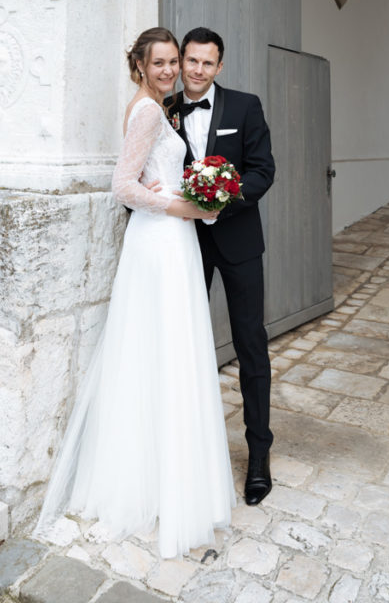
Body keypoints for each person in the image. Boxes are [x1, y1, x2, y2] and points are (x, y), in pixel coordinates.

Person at [34, 27, 235, 558]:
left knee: (162, 355)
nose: (171, 70)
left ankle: (161, 477)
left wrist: (195, 202)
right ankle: (152, 485)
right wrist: (187, 208)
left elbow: (150, 176)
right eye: (161, 63)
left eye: (175, 62)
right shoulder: (148, 111)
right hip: (160, 241)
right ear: (141, 66)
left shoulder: (158, 109)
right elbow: (123, 184)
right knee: (161, 353)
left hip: (172, 240)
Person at [168, 27, 276, 505]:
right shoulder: (165, 109)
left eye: (207, 64)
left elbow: (262, 170)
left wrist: (220, 199)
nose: (196, 71)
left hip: (238, 242)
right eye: (191, 61)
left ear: (220, 66)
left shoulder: (245, 106)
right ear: (181, 60)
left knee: (251, 347)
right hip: (183, 243)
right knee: (183, 344)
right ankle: (184, 453)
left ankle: (258, 456)